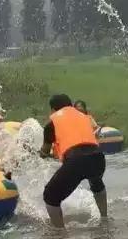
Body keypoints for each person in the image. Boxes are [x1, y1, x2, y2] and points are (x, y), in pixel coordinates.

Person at [39, 94, 107, 228]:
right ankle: (105, 219)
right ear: (70, 105)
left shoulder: (51, 124)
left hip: (76, 161)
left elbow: (44, 153)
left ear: (53, 109)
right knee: (96, 182)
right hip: (98, 158)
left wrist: (36, 153)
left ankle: (59, 233)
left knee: (50, 196)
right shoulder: (84, 117)